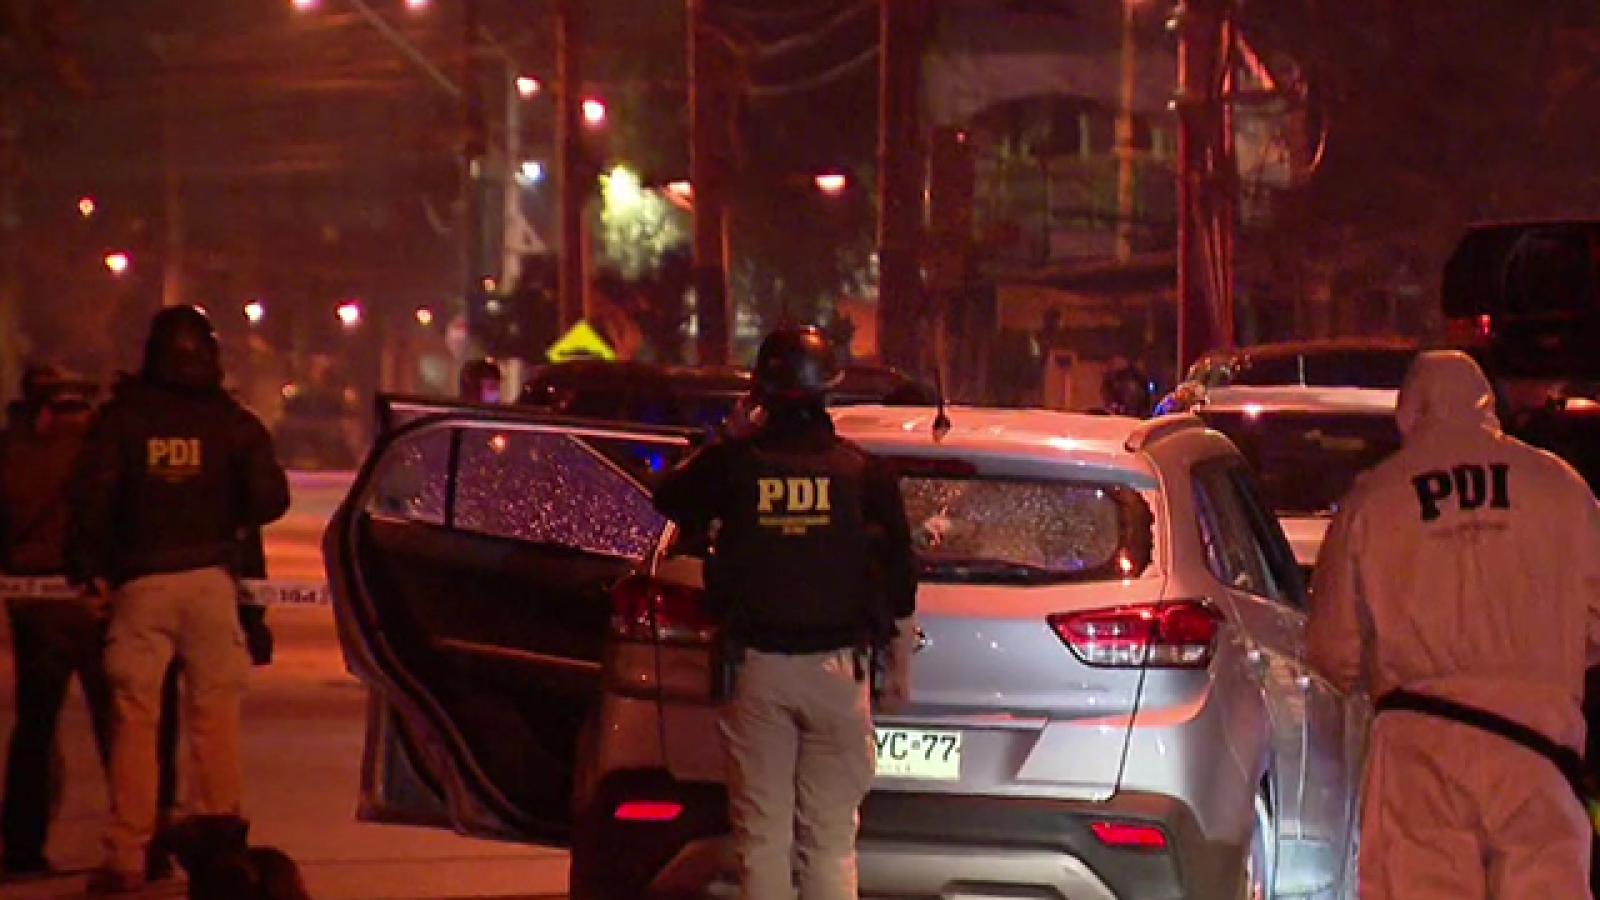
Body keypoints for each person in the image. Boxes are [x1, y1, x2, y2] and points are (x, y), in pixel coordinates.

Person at [1307, 350, 1600, 900]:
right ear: (1488, 407)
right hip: (1537, 746)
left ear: (1408, 415)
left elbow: (1332, 652)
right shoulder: (1559, 487)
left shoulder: (1374, 500)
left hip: (1419, 755)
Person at [652, 327, 918, 900]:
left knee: (763, 839)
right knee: (830, 843)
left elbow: (668, 497)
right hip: (838, 674)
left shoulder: (735, 465)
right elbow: (900, 575)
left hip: (757, 671)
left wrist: (727, 435)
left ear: (760, 394)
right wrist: (899, 663)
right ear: (828, 390)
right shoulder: (863, 474)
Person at [68, 304, 290, 893]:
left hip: (141, 585)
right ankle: (220, 849)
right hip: (211, 585)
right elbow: (271, 498)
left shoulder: (123, 419)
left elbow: (91, 499)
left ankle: (127, 852)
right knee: (215, 721)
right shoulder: (230, 421)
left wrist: (89, 570)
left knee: (135, 723)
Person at [0, 374, 110, 879]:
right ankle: (140, 841)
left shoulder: (14, 454)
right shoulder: (100, 452)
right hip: (91, 602)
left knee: (35, 727)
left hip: (33, 604)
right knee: (117, 725)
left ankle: (23, 845)